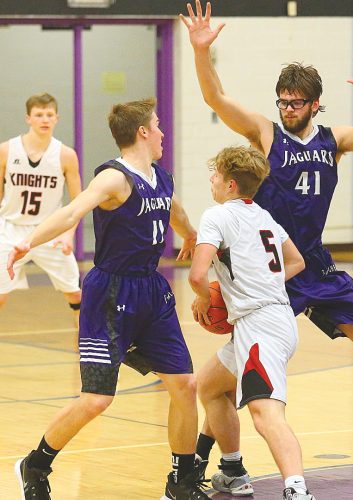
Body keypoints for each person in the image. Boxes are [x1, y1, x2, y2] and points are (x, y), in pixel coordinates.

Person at [181, 0, 353, 477]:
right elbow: (216, 98)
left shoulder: (334, 139)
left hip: (315, 264)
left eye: (296, 103)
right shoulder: (266, 134)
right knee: (237, 372)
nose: (287, 109)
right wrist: (201, 51)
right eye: (282, 101)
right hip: (273, 272)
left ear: (315, 104)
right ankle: (201, 458)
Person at [9, 98, 210, 500]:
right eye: (157, 125)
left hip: (151, 291)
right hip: (111, 294)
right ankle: (36, 464)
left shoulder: (160, 177)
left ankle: (181, 481)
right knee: (96, 399)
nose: (162, 132)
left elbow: (173, 210)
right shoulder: (114, 179)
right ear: (142, 132)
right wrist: (27, 243)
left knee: (185, 385)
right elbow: (71, 213)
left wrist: (190, 234)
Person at [189, 145, 314, 500]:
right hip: (274, 320)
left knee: (265, 413)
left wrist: (204, 298)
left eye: (215, 174)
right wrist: (261, 284)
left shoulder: (217, 216)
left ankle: (297, 489)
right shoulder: (265, 217)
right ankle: (233, 470)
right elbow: (297, 262)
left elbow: (197, 275)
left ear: (230, 184)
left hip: (260, 328)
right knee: (210, 386)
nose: (211, 179)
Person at [0, 93, 82, 324]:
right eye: (38, 115)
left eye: (49, 114)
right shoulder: (6, 150)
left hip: (50, 231)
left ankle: (86, 340)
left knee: (75, 293)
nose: (44, 119)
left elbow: (78, 201)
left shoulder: (66, 155)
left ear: (57, 118)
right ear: (28, 118)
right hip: (11, 229)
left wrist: (69, 234)